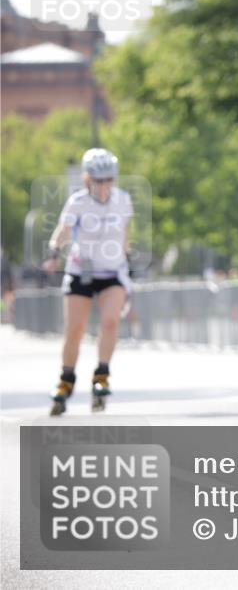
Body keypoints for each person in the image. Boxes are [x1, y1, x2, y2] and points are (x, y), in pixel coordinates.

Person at [43, 148, 133, 415]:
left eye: (109, 180)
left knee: (110, 321)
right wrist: (53, 253)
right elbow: (63, 231)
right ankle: (66, 380)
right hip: (81, 270)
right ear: (88, 179)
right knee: (75, 330)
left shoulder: (124, 200)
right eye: (98, 180)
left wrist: (128, 260)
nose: (104, 186)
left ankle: (102, 375)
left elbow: (124, 233)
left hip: (112, 272)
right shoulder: (78, 202)